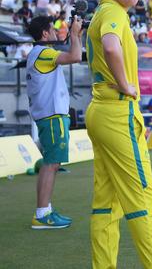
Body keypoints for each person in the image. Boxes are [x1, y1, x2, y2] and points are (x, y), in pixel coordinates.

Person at [85, 0, 152, 268]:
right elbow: (110, 47)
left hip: (101, 110)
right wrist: (126, 85)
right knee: (142, 197)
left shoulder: (105, 11)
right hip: (117, 110)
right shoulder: (112, 12)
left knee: (106, 202)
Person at [26, 15, 82, 229]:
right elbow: (76, 57)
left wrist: (75, 35)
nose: (55, 32)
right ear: (44, 34)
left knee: (50, 164)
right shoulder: (44, 53)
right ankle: (42, 215)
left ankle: (44, 211)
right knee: (51, 165)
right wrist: (75, 35)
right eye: (51, 29)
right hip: (52, 116)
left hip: (46, 115)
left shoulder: (36, 53)